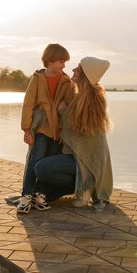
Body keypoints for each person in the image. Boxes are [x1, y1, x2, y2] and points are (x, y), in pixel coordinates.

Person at [33, 56, 113, 212]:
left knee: (41, 168)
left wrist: (63, 112)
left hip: (89, 160)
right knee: (45, 190)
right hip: (76, 156)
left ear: (85, 74)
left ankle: (87, 184)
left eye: (78, 68)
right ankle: (78, 186)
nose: (73, 70)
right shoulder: (79, 94)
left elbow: (82, 129)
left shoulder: (94, 97)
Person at [17, 43, 76, 214]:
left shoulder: (66, 82)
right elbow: (27, 105)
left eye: (64, 62)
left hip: (57, 131)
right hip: (41, 129)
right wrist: (26, 130)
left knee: (47, 161)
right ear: (49, 60)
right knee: (35, 160)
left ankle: (40, 194)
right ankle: (26, 194)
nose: (64, 66)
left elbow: (69, 108)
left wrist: (63, 130)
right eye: (61, 61)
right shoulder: (37, 79)